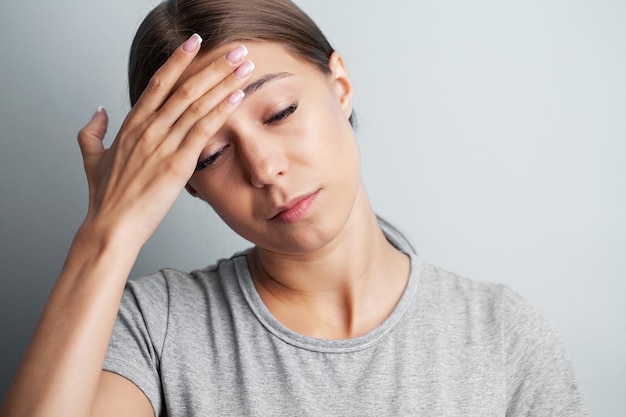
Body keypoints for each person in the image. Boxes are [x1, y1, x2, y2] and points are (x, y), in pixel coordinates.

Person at [0, 0, 588, 416]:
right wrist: (108, 232)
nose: (264, 168)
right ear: (187, 186)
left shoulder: (504, 336)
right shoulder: (153, 328)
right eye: (209, 156)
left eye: (279, 112)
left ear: (340, 85)